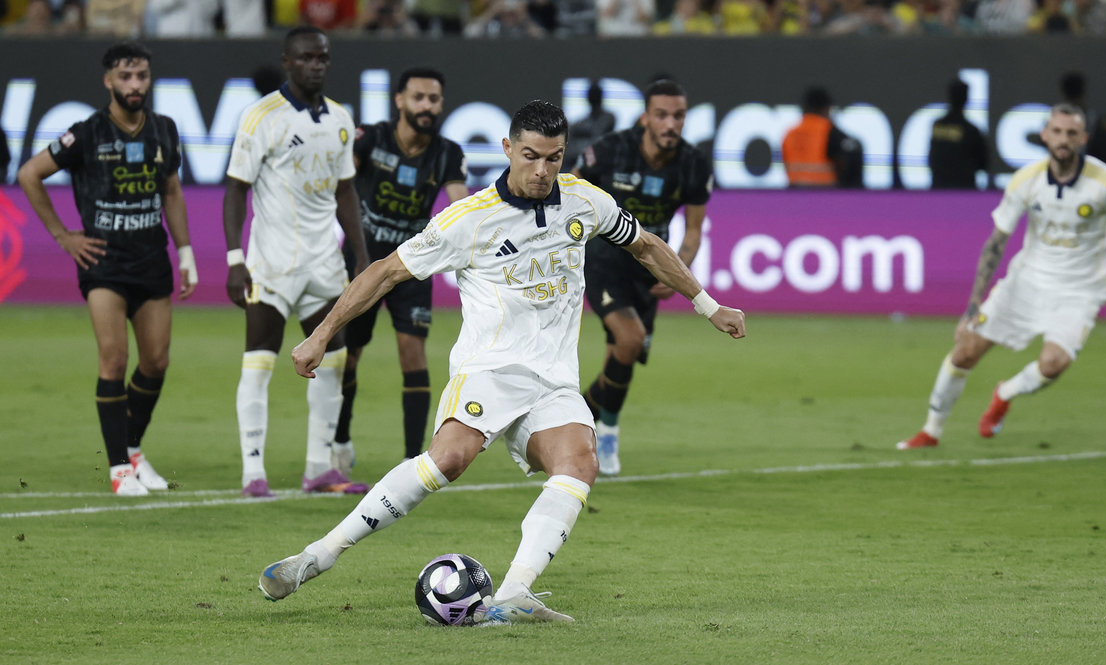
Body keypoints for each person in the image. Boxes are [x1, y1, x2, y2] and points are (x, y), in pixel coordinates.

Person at [256, 100, 746, 622]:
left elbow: (646, 246)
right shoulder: (468, 219)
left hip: (554, 379)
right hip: (490, 369)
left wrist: (708, 305)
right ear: (508, 148)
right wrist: (321, 335)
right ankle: (318, 555)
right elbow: (384, 272)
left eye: (554, 158)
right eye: (531, 156)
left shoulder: (585, 201)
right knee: (448, 460)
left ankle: (513, 594)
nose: (542, 170)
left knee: (580, 462)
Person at [897, 104, 1106, 450]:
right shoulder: (1026, 180)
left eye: (1071, 133)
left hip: (1081, 289)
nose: (1063, 139)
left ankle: (1005, 393)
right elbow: (996, 242)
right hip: (1027, 281)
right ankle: (931, 431)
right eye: (1056, 132)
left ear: (1083, 139)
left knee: (1053, 364)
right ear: (1044, 135)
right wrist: (973, 307)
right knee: (965, 351)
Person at [17, 41, 197, 496]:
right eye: (126, 76)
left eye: (141, 76)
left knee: (156, 362)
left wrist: (186, 252)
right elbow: (29, 174)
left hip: (151, 259)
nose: (135, 84)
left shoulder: (164, 129)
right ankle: (119, 468)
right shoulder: (86, 133)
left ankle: (132, 449)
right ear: (108, 81)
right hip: (104, 265)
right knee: (114, 359)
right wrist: (64, 236)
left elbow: (172, 191)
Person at [223, 27, 371, 498]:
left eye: (322, 57)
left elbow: (345, 191)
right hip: (271, 263)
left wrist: (361, 255)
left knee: (334, 359)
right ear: (287, 62)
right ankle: (253, 473)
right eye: (306, 58)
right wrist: (234, 258)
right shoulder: (261, 116)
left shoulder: (340, 119)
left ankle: (318, 469)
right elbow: (236, 190)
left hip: (323, 262)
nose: (315, 65)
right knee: (259, 361)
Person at [570, 79, 713, 477]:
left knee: (623, 354)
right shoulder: (611, 149)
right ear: (646, 117)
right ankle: (605, 431)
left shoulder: (694, 164)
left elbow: (694, 231)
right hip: (604, 261)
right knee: (630, 339)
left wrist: (678, 269)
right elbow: (569, 192)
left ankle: (586, 419)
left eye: (678, 116)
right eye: (662, 115)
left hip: (651, 266)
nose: (671, 124)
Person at [334, 66, 468, 465]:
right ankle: (339, 439)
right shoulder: (371, 138)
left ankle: (412, 461)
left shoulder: (447, 153)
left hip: (412, 265)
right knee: (349, 355)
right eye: (418, 98)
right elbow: (340, 185)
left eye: (434, 99)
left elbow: (461, 206)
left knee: (414, 355)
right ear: (399, 100)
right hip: (363, 262)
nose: (427, 106)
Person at [781, 86, 863, 188]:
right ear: (827, 108)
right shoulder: (829, 131)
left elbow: (786, 163)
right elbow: (845, 164)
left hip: (794, 191)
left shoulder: (789, 134)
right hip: (824, 192)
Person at [928, 78, 989, 189]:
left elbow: (932, 159)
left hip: (939, 189)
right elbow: (983, 163)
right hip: (963, 191)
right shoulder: (971, 130)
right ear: (966, 98)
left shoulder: (938, 125)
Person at [562, 79, 616, 172]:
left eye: (595, 94)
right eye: (591, 94)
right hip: (574, 162)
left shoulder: (608, 118)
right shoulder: (582, 121)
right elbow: (570, 133)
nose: (593, 97)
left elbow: (597, 137)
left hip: (599, 163)